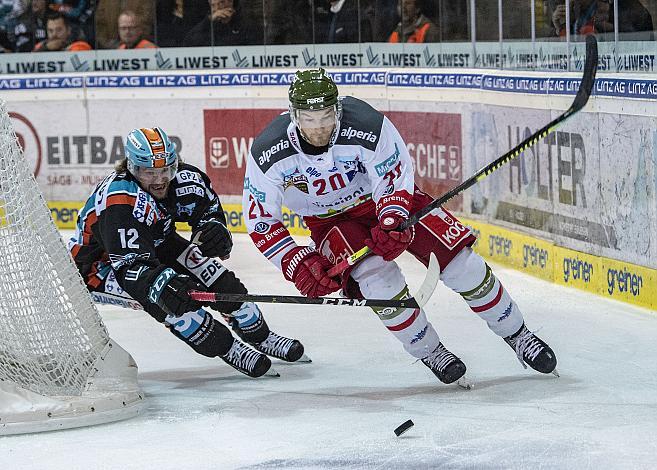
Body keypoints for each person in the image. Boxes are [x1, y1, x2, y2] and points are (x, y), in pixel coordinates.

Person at [242, 68, 558, 385]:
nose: (319, 127)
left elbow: (394, 174)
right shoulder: (270, 151)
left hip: (386, 202)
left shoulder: (366, 124)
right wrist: (295, 261)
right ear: (294, 116)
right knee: (379, 284)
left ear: (337, 109)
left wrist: (392, 219)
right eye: (309, 119)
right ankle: (431, 351)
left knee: (463, 265)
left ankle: (519, 335)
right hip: (330, 223)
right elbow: (261, 220)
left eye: (325, 116)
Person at [69, 127, 307, 379]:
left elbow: (207, 210)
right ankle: (228, 348)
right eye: (149, 172)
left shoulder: (186, 179)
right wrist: (161, 286)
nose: (159, 179)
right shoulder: (118, 201)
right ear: (132, 169)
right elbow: (130, 268)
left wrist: (213, 229)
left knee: (222, 283)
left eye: (165, 170)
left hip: (158, 242)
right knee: (175, 305)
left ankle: (262, 337)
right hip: (103, 266)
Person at [551, 0, 653, 38]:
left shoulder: (618, 6)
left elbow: (640, 35)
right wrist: (559, 27)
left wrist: (611, 28)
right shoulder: (575, 13)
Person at [183, 0, 253, 47]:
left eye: (221, 3)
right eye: (213, 5)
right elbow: (188, 42)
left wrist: (227, 22)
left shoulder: (245, 23)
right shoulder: (206, 23)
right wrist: (208, 22)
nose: (217, 9)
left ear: (231, 2)